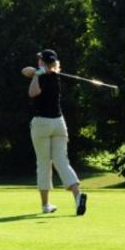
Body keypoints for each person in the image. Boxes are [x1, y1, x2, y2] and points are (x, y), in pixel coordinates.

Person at [23, 49, 87, 216]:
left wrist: (37, 75)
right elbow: (25, 70)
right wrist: (38, 71)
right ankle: (78, 196)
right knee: (62, 161)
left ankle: (45, 205)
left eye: (39, 61)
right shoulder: (56, 77)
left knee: (44, 163)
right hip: (59, 123)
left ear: (43, 62)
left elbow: (32, 93)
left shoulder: (42, 77)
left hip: (42, 123)